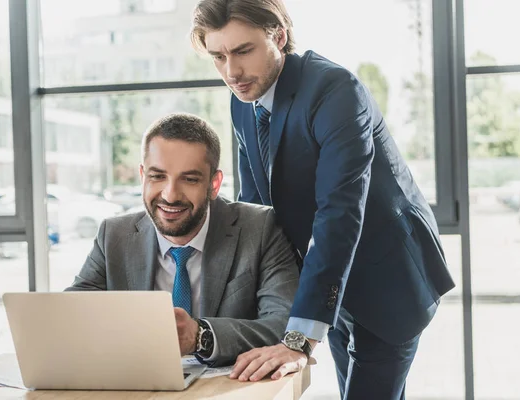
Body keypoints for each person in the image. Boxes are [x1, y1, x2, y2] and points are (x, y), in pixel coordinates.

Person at [190, 1, 456, 398]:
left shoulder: (334, 90)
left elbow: (339, 213)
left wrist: (298, 339)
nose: (231, 72)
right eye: (218, 57)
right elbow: (255, 211)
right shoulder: (243, 102)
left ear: (277, 36)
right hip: (331, 289)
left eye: (243, 51)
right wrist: (234, 325)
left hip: (388, 280)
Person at [66, 113, 300, 367]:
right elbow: (73, 315)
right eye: (157, 176)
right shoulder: (114, 235)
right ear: (143, 176)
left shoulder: (261, 228)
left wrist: (200, 337)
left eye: (189, 179)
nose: (170, 195)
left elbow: (284, 324)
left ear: (214, 184)